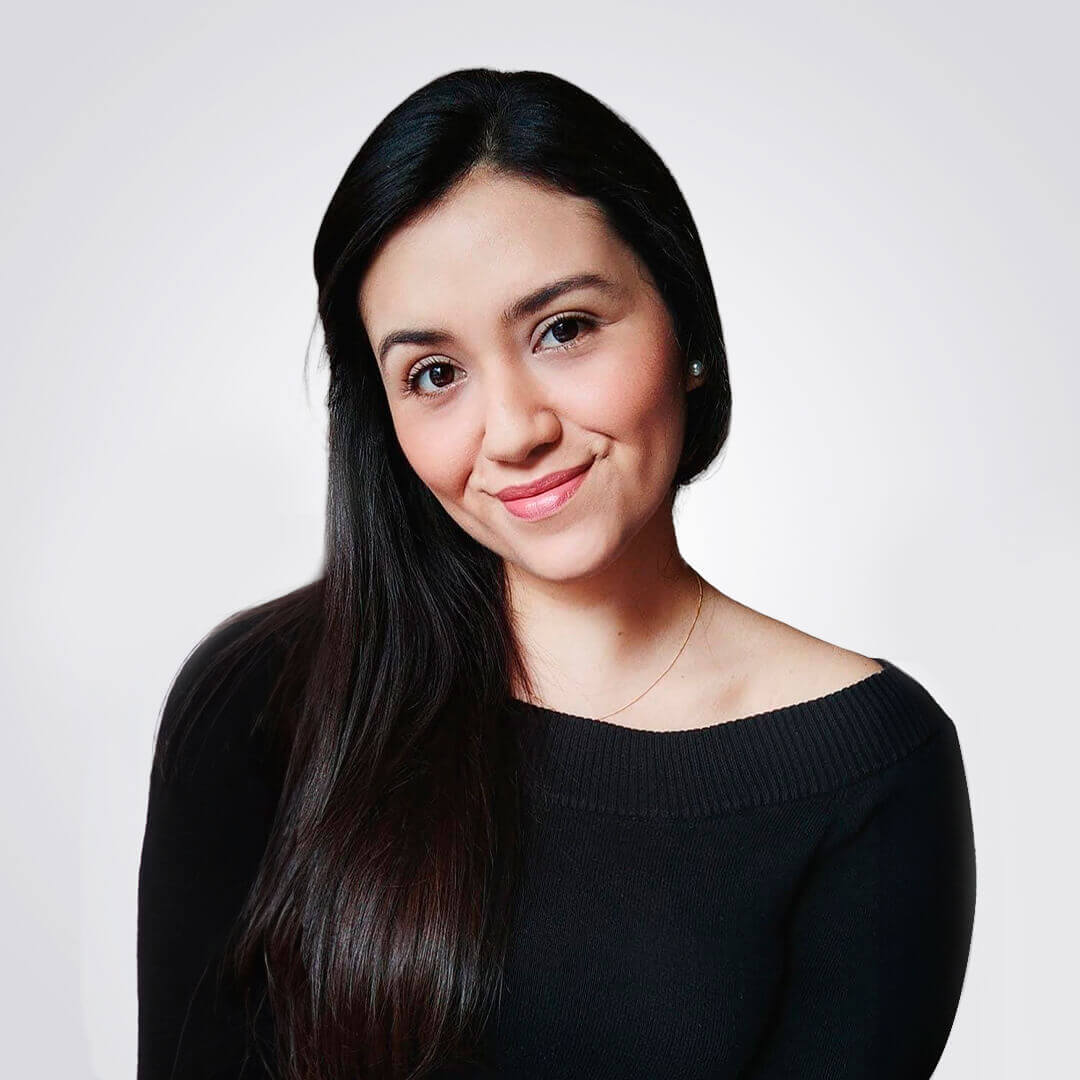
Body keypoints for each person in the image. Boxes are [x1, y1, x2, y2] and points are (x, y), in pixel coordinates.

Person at [137, 68, 976, 1080]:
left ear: (688, 332)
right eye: (434, 374)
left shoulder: (867, 767)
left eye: (564, 329)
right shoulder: (261, 697)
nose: (517, 431)